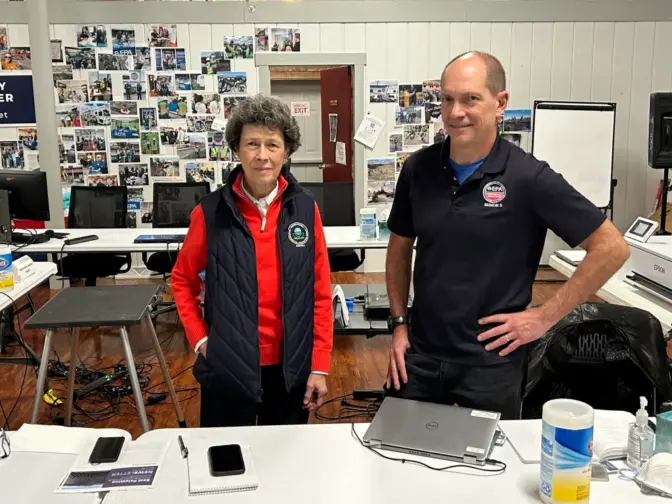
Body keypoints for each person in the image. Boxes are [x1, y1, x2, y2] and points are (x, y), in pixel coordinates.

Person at [384, 51, 630, 420]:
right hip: (419, 355)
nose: (454, 113)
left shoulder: (529, 178)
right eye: (447, 99)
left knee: (488, 471)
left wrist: (545, 317)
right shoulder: (418, 169)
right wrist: (399, 325)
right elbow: (399, 250)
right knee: (401, 460)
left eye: (470, 98)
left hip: (491, 364)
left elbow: (611, 247)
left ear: (500, 103)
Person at [172, 94, 333, 427]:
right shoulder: (210, 212)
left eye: (272, 145)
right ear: (237, 149)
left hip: (290, 369)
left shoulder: (304, 209)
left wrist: (319, 365)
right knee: (225, 464)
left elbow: (319, 291)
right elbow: (183, 280)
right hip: (227, 366)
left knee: (285, 463)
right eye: (252, 144)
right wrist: (201, 340)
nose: (262, 156)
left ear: (286, 151)